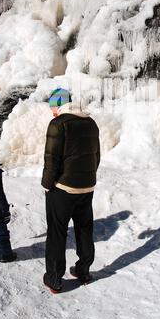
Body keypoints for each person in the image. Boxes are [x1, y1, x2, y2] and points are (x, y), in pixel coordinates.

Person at [42, 88, 100, 293]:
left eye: (53, 107)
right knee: (84, 229)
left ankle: (54, 278)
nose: (52, 112)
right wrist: (88, 178)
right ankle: (83, 270)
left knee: (57, 233)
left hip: (63, 189)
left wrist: (47, 185)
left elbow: (51, 160)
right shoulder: (91, 122)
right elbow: (96, 156)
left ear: (59, 105)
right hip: (87, 187)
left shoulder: (58, 124)